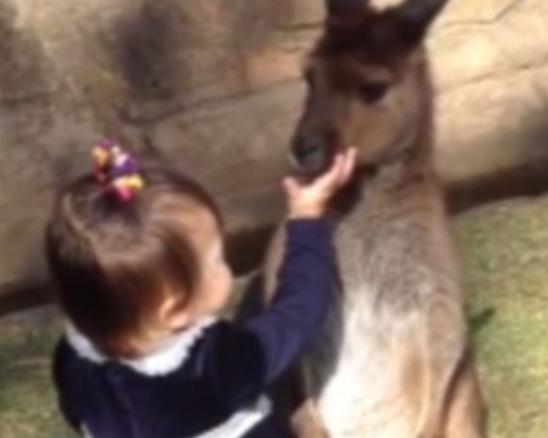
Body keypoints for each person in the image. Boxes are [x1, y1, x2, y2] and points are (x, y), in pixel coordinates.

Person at [46, 138, 356, 438]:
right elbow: (299, 312)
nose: (227, 265)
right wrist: (306, 220)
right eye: (217, 259)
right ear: (175, 310)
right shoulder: (218, 364)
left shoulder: (72, 358)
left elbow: (77, 415)